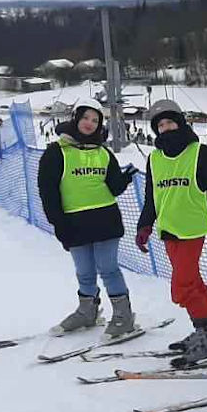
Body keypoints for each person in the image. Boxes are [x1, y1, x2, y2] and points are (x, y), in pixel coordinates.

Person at [135, 99, 207, 366]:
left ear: (181, 123)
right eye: (160, 125)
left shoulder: (198, 152)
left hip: (191, 230)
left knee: (182, 288)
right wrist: (144, 225)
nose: (166, 128)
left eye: (170, 122)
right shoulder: (155, 158)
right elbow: (151, 197)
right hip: (168, 230)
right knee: (193, 283)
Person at [37, 99, 140, 339]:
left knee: (108, 269)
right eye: (85, 118)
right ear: (75, 118)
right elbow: (48, 193)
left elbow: (113, 187)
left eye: (95, 120)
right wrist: (59, 225)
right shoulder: (56, 152)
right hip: (74, 223)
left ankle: (123, 316)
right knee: (84, 271)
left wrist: (124, 179)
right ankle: (87, 312)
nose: (89, 124)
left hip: (105, 220)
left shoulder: (103, 153)